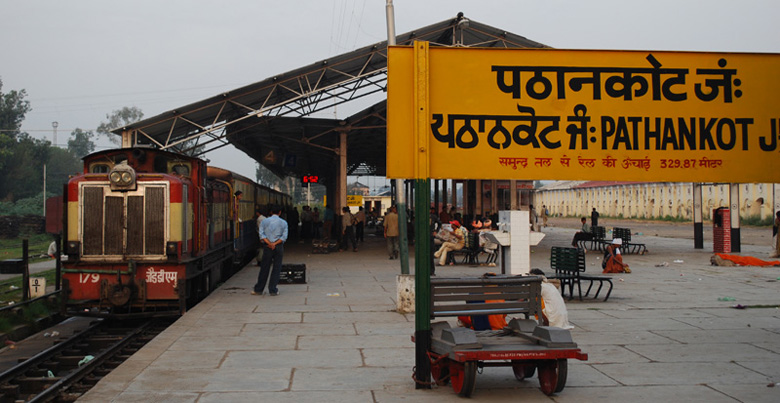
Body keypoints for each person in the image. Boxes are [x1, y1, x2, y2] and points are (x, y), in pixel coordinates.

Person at [252, 204, 288, 296]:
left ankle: (258, 289)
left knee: (264, 268)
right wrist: (275, 244)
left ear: (271, 212)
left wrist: (269, 243)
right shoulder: (283, 222)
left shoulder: (264, 221)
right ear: (280, 213)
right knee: (276, 268)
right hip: (278, 247)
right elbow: (284, 237)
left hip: (267, 247)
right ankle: (273, 290)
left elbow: (262, 235)